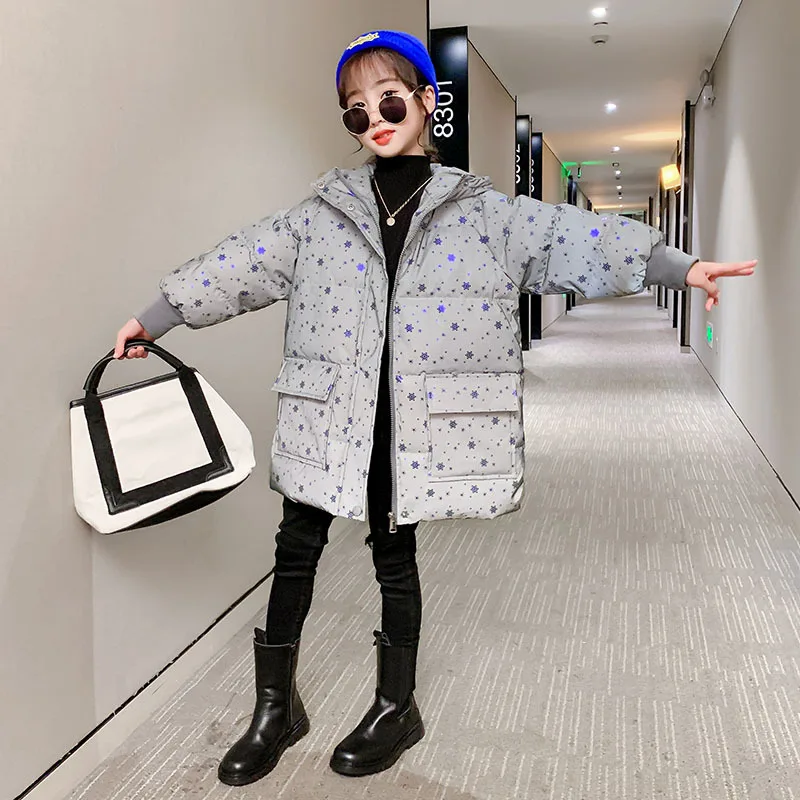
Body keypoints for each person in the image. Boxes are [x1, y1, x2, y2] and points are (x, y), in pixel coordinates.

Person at [114, 30, 756, 787]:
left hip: (411, 425)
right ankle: (275, 709)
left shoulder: (482, 213)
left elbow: (575, 237)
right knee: (295, 550)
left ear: (427, 101)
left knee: (394, 558)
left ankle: (395, 706)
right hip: (331, 417)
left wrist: (680, 266)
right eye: (356, 111)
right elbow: (241, 263)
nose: (373, 120)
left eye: (388, 100)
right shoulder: (321, 213)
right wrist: (155, 319)